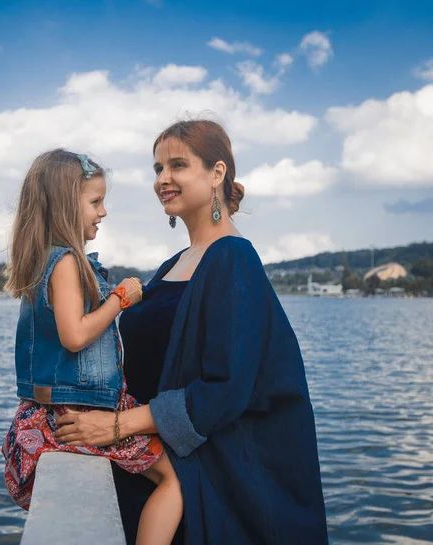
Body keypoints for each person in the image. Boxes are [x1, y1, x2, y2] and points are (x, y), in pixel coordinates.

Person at [54, 121, 329, 545]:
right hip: (152, 456)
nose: (163, 179)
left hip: (213, 475)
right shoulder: (175, 264)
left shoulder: (232, 258)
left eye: (177, 165)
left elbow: (225, 389)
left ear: (217, 173)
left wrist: (116, 427)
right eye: (157, 167)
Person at [1, 149, 183, 545]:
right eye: (95, 202)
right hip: (78, 409)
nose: (103, 212)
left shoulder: (42, 260)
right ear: (68, 206)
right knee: (173, 479)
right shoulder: (65, 262)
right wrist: (119, 299)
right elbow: (76, 335)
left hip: (52, 407)